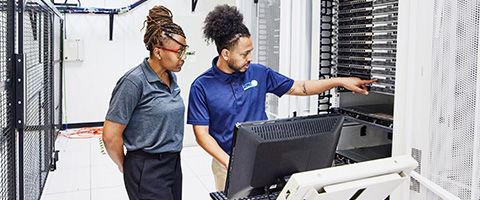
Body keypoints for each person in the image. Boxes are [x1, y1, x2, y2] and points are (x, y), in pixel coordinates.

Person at [187, 4, 375, 192]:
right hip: (226, 162)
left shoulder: (259, 73)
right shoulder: (202, 86)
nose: (249, 58)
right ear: (226, 54)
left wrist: (339, 81)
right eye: (244, 54)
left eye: (250, 51)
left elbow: (301, 87)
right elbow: (202, 135)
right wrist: (230, 162)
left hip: (264, 159)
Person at [102, 5, 188, 200]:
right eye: (179, 52)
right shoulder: (134, 82)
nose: (183, 58)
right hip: (146, 168)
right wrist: (125, 164)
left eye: (185, 51)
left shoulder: (170, 77)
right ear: (158, 52)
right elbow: (110, 136)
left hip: (173, 164)